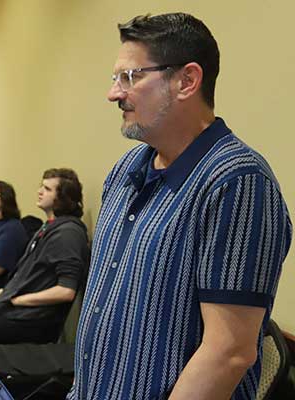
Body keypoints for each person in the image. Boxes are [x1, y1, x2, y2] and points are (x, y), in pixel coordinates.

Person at [69, 14, 292, 400]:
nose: (114, 94)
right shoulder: (126, 169)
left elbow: (229, 352)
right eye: (115, 79)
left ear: (187, 81)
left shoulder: (237, 181)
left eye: (131, 77)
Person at [0, 169, 89, 344]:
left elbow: (66, 291)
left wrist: (16, 300)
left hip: (31, 321)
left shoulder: (68, 233)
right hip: (15, 310)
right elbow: (25, 279)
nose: (40, 191)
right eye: (41, 186)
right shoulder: (48, 227)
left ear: (63, 197)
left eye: (47, 189)